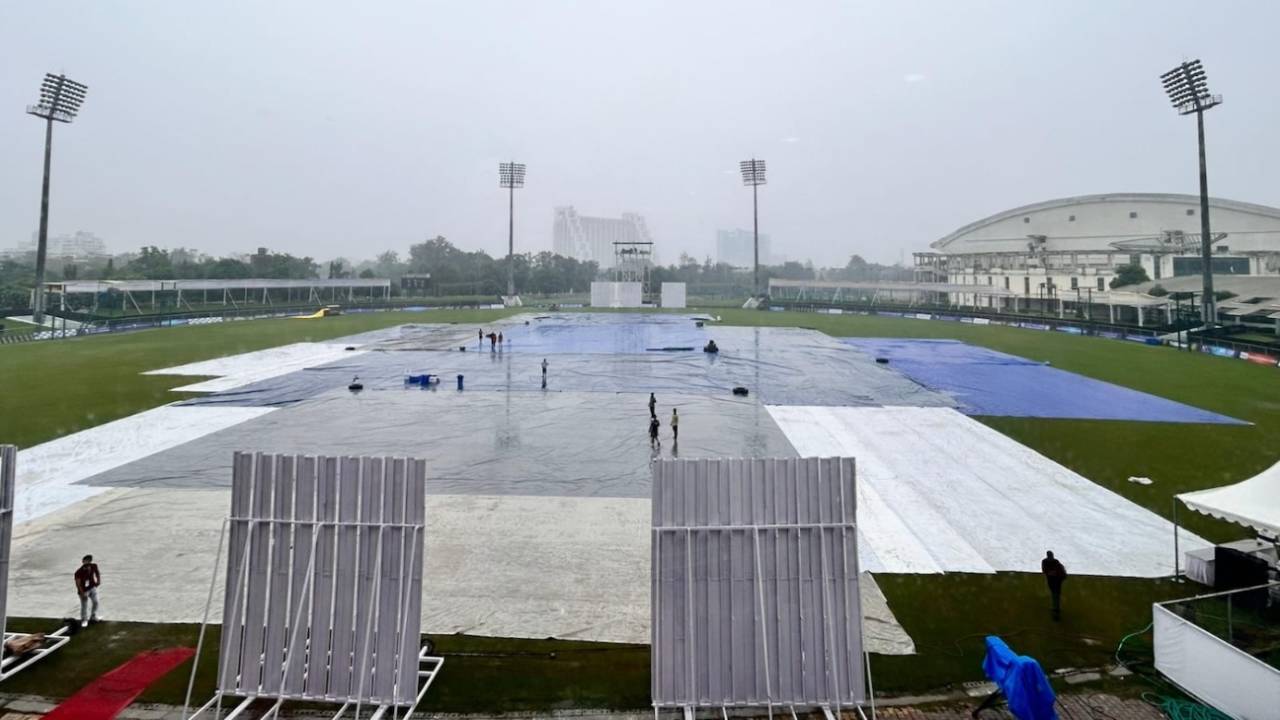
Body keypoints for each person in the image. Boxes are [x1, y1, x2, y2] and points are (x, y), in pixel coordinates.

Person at [75, 554, 101, 628]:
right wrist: (82, 593)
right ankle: (84, 620)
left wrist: (98, 580)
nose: (87, 563)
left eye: (89, 561)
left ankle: (93, 616)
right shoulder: (78, 572)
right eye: (86, 561)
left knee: (96, 602)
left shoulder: (94, 566)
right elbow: (78, 583)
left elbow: (97, 573)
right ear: (83, 561)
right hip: (83, 590)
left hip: (92, 587)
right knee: (84, 606)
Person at [1041, 550, 1067, 619]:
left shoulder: (1046, 561)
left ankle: (1055, 609)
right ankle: (1056, 609)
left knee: (1055, 594)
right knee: (1056, 594)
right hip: (1056, 580)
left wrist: (1051, 573)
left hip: (1055, 580)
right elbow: (1045, 571)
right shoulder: (1054, 561)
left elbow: (1045, 571)